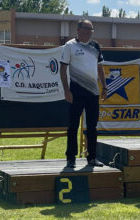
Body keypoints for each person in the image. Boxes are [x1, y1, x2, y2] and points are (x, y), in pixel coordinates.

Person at [60, 19, 107, 168]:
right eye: (86, 29)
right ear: (78, 30)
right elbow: (62, 70)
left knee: (92, 127)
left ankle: (92, 157)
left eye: (91, 29)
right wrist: (66, 90)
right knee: (73, 126)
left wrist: (104, 87)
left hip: (93, 93)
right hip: (76, 92)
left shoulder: (95, 46)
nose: (89, 32)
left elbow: (100, 68)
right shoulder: (70, 46)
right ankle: (71, 158)